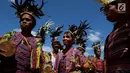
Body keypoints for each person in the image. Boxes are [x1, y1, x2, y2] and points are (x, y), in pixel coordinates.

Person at [0, 0, 51, 73]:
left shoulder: (36, 42)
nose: (24, 21)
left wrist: (47, 67)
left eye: (27, 20)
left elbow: (43, 59)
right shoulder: (11, 35)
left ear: (33, 24)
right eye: (22, 20)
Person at [98, 0, 130, 73]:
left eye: (107, 8)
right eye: (103, 10)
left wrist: (121, 7)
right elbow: (106, 60)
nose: (105, 12)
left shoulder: (128, 27)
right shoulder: (109, 37)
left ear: (119, 5)